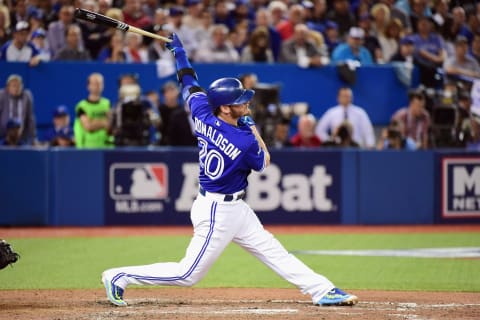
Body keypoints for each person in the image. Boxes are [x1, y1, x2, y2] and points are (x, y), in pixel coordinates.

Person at [101, 32, 358, 308]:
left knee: (272, 250)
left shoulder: (201, 111)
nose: (246, 104)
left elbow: (189, 81)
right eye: (240, 102)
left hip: (234, 208)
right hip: (217, 211)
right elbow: (263, 161)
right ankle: (119, 276)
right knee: (187, 273)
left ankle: (321, 290)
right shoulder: (244, 139)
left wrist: (179, 54)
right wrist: (251, 126)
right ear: (225, 108)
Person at [73, 73, 112, 148]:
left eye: (100, 83)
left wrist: (94, 122)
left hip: (107, 147)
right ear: (88, 86)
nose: (97, 86)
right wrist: (103, 123)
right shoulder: (82, 106)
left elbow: (110, 126)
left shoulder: (107, 103)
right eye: (94, 83)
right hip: (88, 148)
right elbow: (88, 126)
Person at [0, 74, 36, 145]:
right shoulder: (1, 95)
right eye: (13, 86)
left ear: (22, 86)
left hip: (21, 136)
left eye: (18, 86)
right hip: (3, 135)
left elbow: (30, 118)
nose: (16, 88)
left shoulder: (27, 96)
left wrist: (33, 138)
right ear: (8, 87)